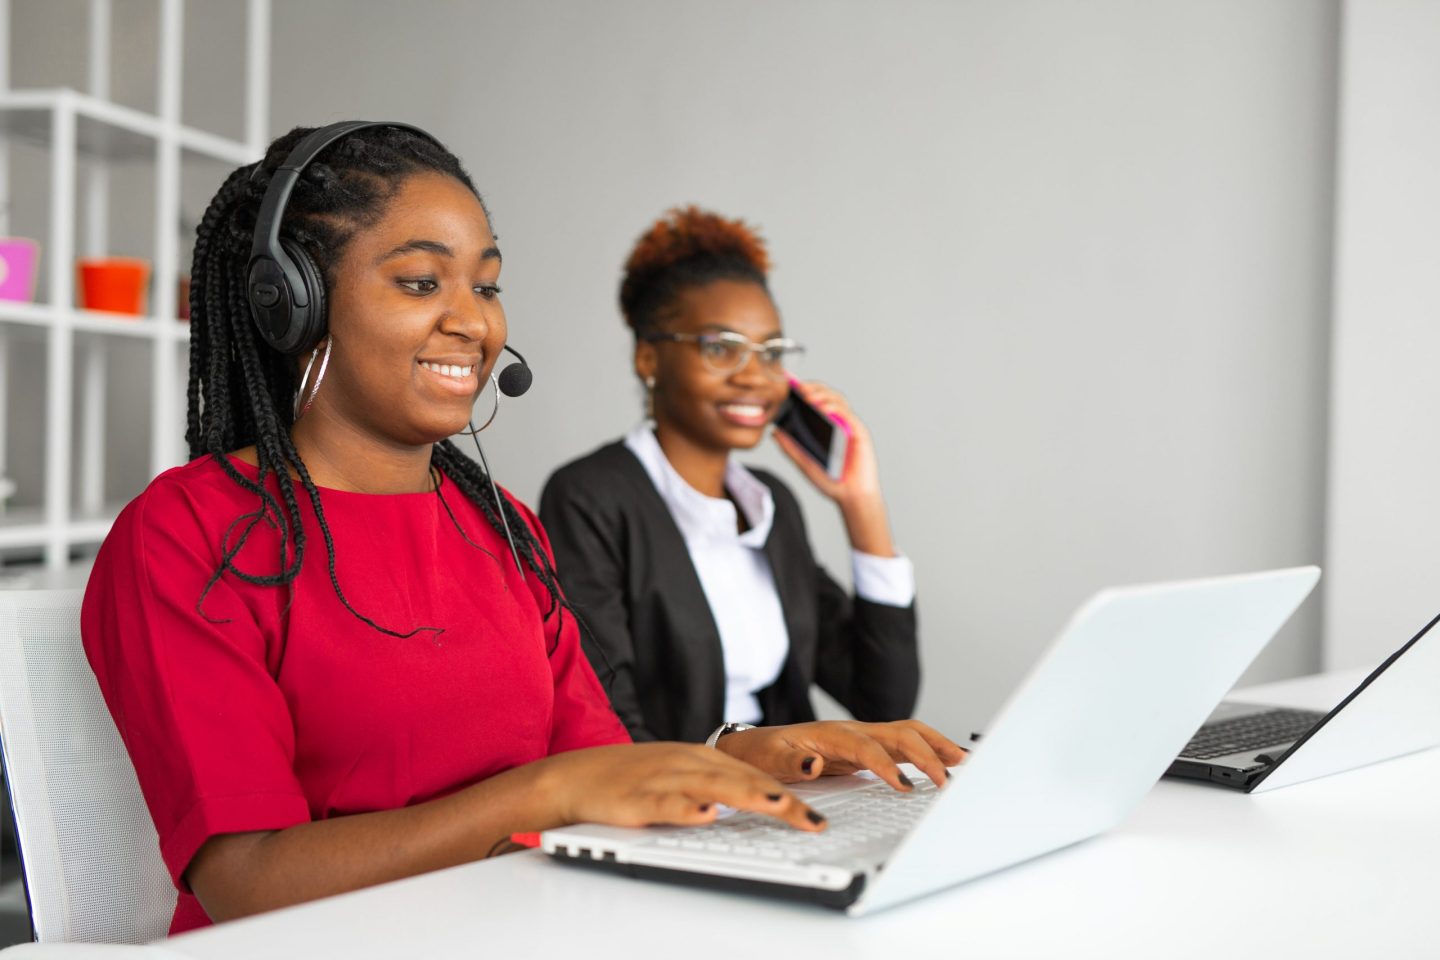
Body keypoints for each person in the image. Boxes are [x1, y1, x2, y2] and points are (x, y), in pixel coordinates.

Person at [80, 124, 963, 934]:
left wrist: (750, 757)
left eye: (488, 284)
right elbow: (246, 884)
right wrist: (539, 793)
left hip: (526, 929)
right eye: (422, 282)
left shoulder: (504, 528)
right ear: (294, 302)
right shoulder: (190, 534)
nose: (474, 320)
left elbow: (599, 769)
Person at [540, 207, 919, 744]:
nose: (754, 377)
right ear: (648, 358)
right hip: (675, 807)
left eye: (771, 353)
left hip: (790, 793)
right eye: (721, 348)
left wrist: (861, 504)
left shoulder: (770, 506)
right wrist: (740, 763)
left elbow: (884, 702)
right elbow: (608, 719)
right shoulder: (591, 497)